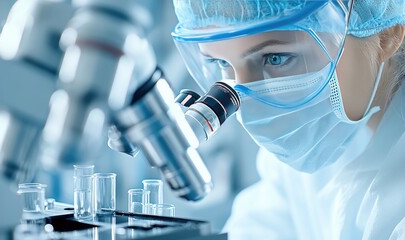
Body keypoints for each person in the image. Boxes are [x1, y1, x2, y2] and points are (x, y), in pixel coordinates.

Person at [171, 0, 405, 239]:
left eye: (275, 58)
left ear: (386, 34)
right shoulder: (309, 144)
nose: (252, 109)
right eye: (222, 63)